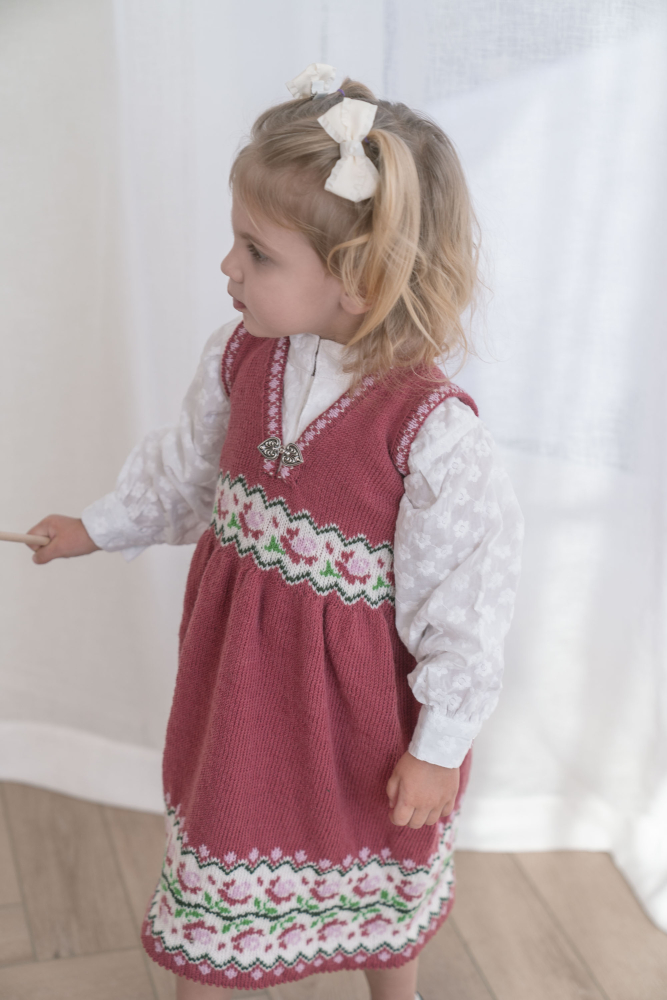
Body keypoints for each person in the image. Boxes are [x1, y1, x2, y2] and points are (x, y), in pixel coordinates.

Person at [28, 64, 523, 1000]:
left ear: (357, 279)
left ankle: (396, 991)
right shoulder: (240, 359)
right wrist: (94, 526)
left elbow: (463, 606)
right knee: (224, 857)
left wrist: (438, 746)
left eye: (256, 253)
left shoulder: (432, 434)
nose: (228, 268)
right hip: (244, 694)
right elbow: (187, 473)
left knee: (377, 858)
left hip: (359, 713)